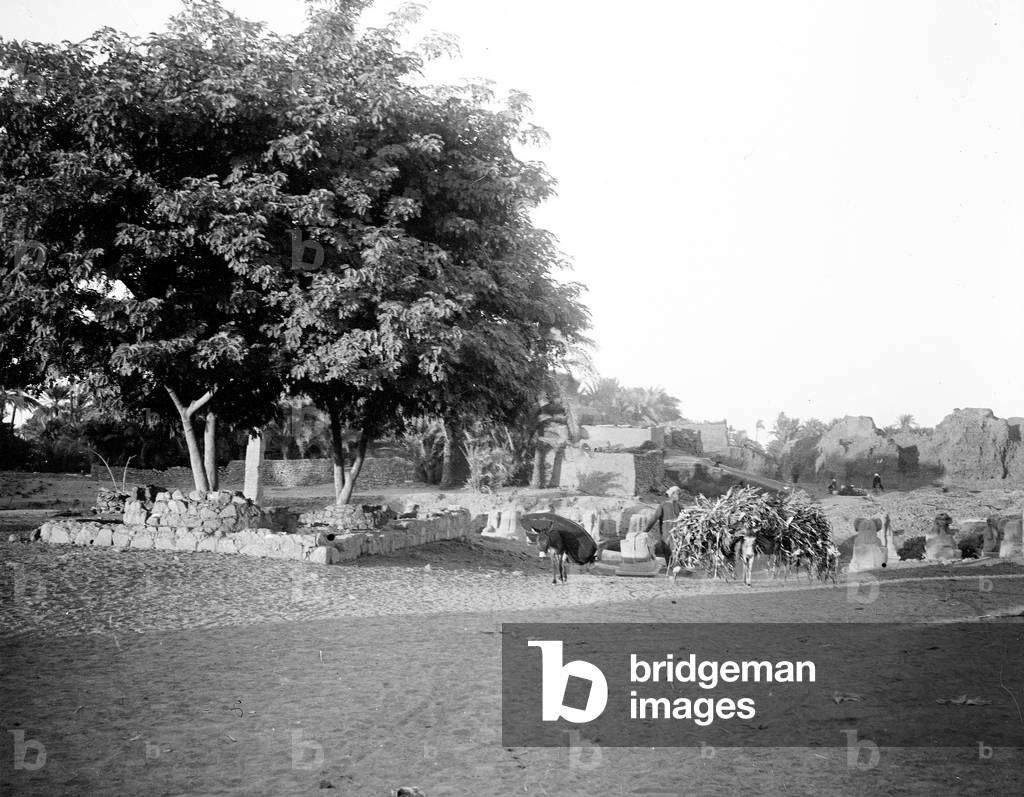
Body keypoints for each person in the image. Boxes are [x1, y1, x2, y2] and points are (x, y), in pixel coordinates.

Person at [643, 486, 682, 565]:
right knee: (670, 551)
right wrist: (646, 530)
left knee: (670, 551)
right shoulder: (664, 505)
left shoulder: (679, 506)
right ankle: (671, 569)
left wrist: (645, 530)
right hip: (668, 533)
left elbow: (654, 518)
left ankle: (671, 568)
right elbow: (654, 518)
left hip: (674, 533)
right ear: (672, 494)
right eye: (678, 494)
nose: (679, 496)